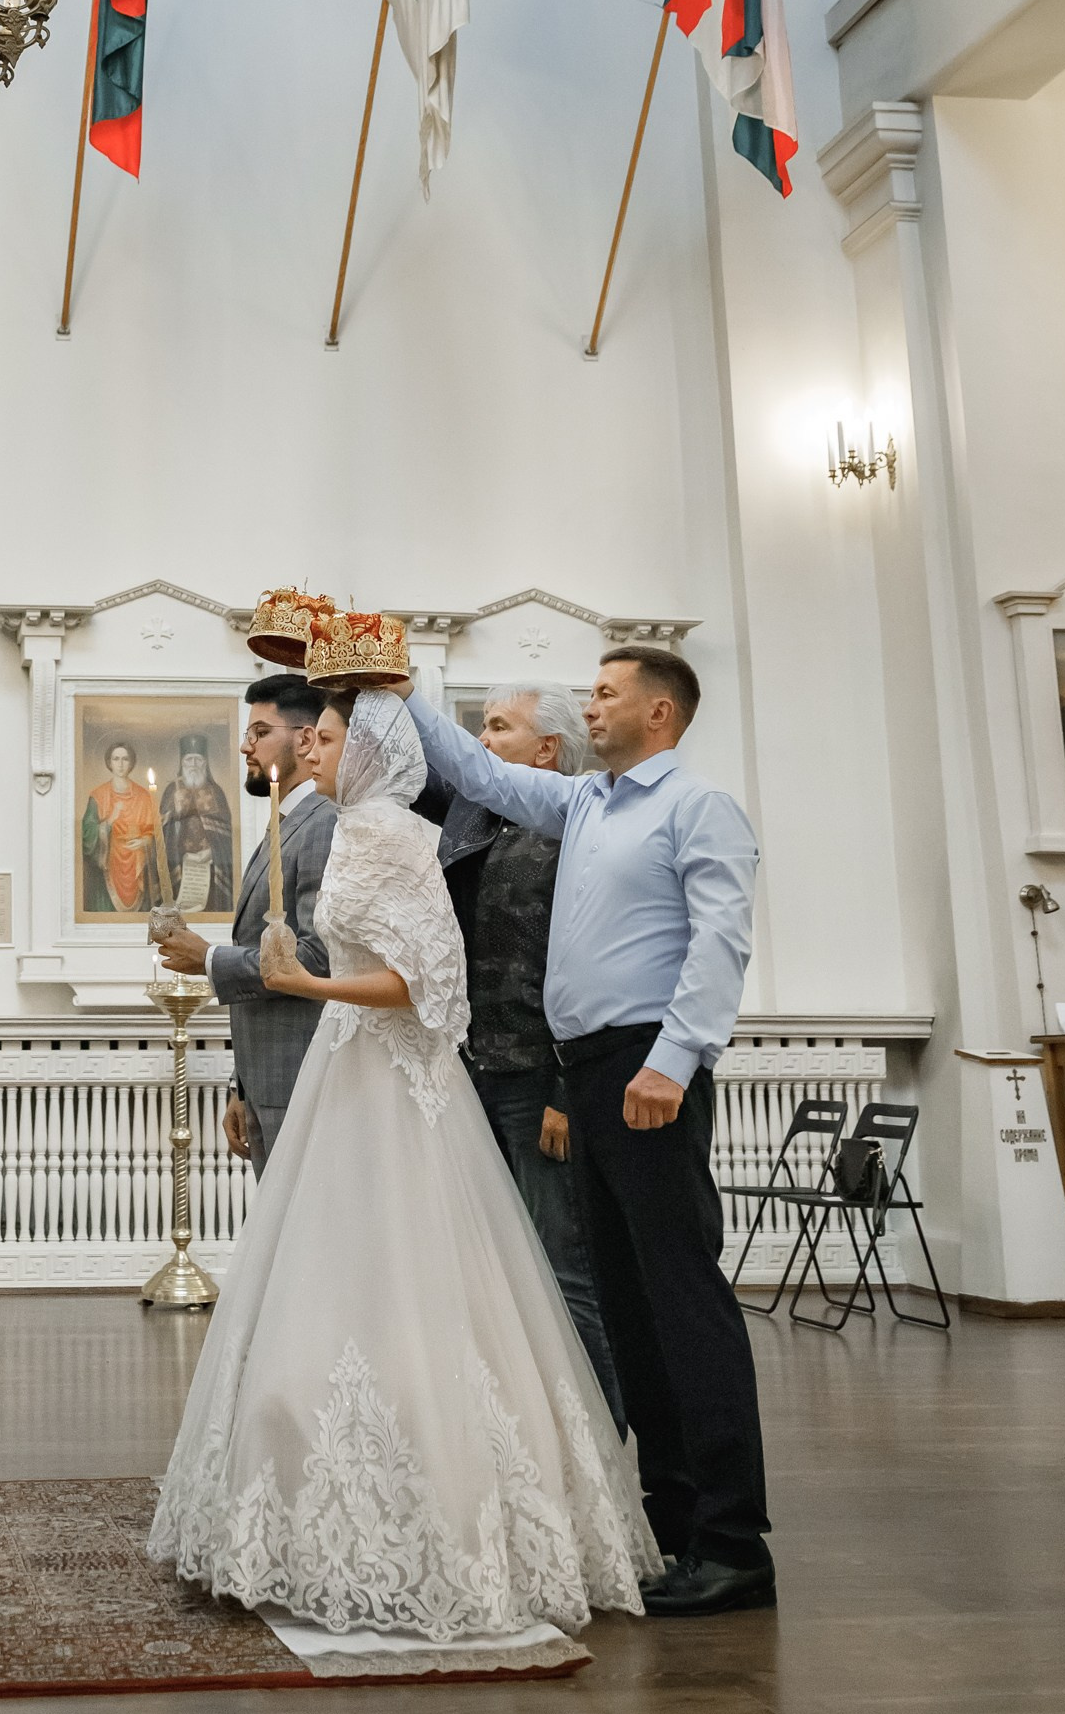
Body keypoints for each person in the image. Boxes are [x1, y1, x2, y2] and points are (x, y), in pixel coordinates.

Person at [150, 687, 658, 1660]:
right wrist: (299, 980)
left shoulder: (387, 833)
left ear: (372, 751)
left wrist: (303, 981)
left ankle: (447, 1510)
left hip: (390, 1077)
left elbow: (430, 985)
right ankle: (305, 1507)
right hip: (344, 1069)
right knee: (332, 1289)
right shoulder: (352, 827)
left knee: (419, 1291)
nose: (308, 748)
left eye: (327, 735)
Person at [393, 646, 771, 1618]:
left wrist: (672, 1061)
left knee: (680, 1299)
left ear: (656, 711)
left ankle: (734, 1542)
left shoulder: (696, 805)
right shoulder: (586, 803)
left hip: (648, 1067)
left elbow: (719, 940)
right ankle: (672, 1526)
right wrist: (405, 696)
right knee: (626, 1304)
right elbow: (478, 774)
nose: (589, 703)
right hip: (587, 1066)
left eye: (604, 692)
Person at [422, 682, 624, 1424]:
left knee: (565, 1269)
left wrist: (564, 1095)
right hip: (483, 1065)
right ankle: (534, 1434)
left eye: (497, 728)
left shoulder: (575, 829)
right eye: (480, 726)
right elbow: (430, 775)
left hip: (543, 1075)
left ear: (547, 750)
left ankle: (601, 1440)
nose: (481, 740)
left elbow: (578, 967)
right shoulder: (489, 822)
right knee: (504, 1266)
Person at [155, 676, 334, 1168]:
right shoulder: (283, 822)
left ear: (303, 738)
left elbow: (318, 958)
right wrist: (241, 1084)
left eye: (258, 732)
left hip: (302, 1078)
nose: (243, 746)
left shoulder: (323, 822)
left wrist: (209, 959)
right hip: (266, 1080)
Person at [81, 736, 161, 913]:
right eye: (116, 759)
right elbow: (86, 833)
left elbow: (155, 832)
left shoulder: (143, 796)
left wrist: (146, 842)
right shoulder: (98, 795)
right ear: (109, 762)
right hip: (108, 865)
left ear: (131, 762)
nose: (120, 764)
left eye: (125, 759)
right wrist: (109, 821)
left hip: (137, 862)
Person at [161, 734, 235, 916]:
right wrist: (176, 813)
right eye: (189, 760)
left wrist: (212, 853)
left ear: (205, 763)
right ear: (182, 763)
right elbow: (163, 833)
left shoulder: (216, 792)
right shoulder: (172, 791)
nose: (193, 765)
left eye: (198, 760)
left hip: (209, 864)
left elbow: (225, 834)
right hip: (180, 863)